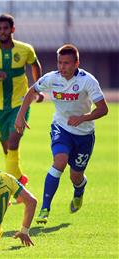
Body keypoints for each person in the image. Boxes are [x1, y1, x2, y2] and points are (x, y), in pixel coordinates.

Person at [15, 44, 108, 224]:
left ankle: (79, 189)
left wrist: (83, 118)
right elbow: (31, 91)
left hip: (84, 134)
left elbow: (103, 109)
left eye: (66, 63)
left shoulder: (88, 81)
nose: (62, 67)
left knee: (76, 176)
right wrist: (20, 116)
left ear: (76, 63)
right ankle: (45, 208)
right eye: (59, 62)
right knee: (60, 161)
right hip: (61, 128)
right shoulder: (51, 78)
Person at [0, 14, 43, 186]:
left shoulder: (25, 49)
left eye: (6, 28)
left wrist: (38, 88)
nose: (2, 32)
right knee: (7, 148)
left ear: (12, 29)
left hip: (20, 103)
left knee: (14, 140)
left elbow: (35, 65)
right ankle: (19, 178)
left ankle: (10, 187)